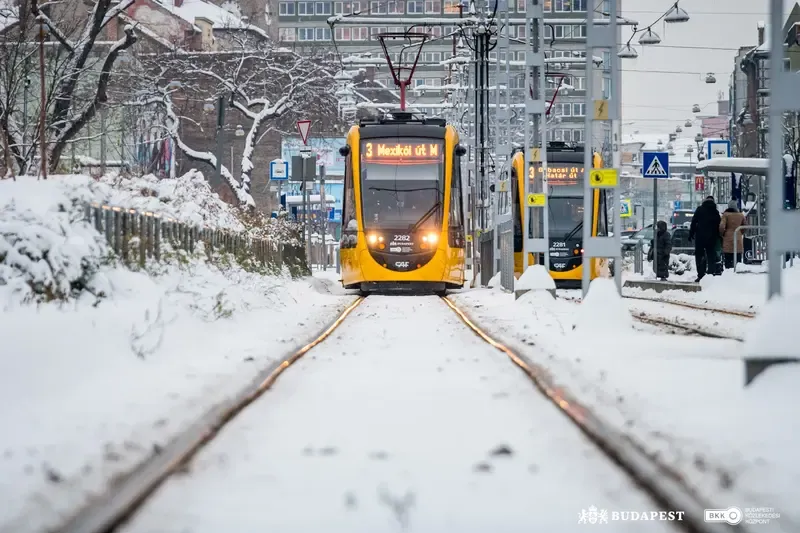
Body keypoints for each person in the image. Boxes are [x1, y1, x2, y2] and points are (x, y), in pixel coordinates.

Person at [689, 195, 722, 281]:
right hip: (712, 237)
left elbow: (693, 222)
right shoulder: (715, 212)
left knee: (699, 255)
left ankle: (701, 274)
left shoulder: (700, 209)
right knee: (711, 255)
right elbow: (719, 225)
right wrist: (719, 236)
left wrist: (691, 233)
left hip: (700, 236)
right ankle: (710, 273)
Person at [719, 199, 746, 269]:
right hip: (738, 239)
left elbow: (722, 226)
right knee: (738, 261)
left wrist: (723, 233)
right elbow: (745, 226)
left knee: (728, 260)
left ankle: (729, 274)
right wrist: (740, 232)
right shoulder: (741, 215)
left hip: (727, 239)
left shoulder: (725, 215)